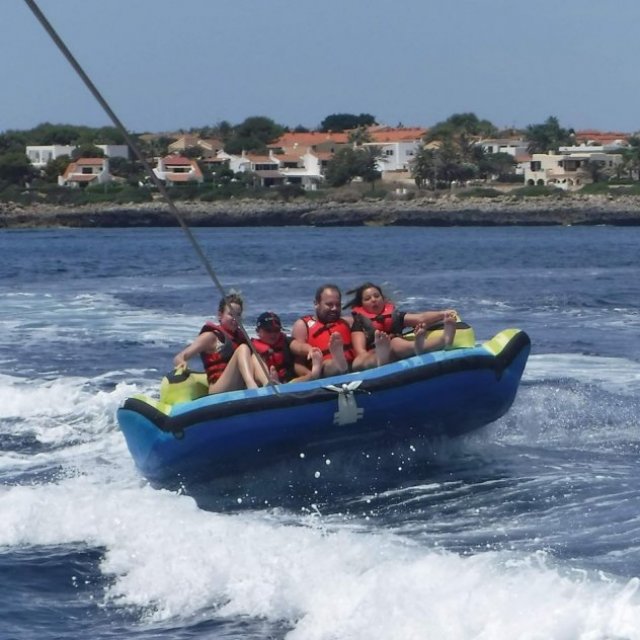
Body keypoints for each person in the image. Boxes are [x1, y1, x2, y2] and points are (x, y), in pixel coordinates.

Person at [345, 282, 457, 370]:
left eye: (376, 296)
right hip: (373, 353)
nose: (373, 300)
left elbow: (421, 318)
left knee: (395, 342)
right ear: (362, 304)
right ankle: (381, 357)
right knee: (359, 361)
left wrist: (443, 314)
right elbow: (360, 351)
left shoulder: (395, 315)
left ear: (383, 299)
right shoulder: (359, 322)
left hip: (396, 350)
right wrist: (378, 350)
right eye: (367, 299)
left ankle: (443, 339)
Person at [173, 293, 257, 394]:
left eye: (238, 315)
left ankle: (268, 383)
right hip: (218, 389)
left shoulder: (241, 336)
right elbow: (179, 357)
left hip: (238, 385)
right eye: (231, 314)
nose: (235, 318)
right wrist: (182, 363)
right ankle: (252, 387)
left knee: (256, 354)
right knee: (243, 348)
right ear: (220, 315)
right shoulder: (210, 337)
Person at [290, 284, 354, 377]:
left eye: (338, 305)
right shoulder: (303, 326)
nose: (334, 308)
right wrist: (310, 376)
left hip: (353, 367)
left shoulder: (348, 322)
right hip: (323, 372)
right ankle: (340, 364)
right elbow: (298, 364)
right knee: (329, 364)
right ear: (316, 304)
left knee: (366, 359)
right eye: (329, 304)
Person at [248, 311, 323, 385]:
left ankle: (313, 376)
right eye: (268, 331)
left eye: (276, 330)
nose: (273, 334)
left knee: (302, 371)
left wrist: (310, 349)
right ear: (258, 331)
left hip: (287, 381)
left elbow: (299, 347)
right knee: (255, 357)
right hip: (263, 382)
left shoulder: (285, 341)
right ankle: (270, 382)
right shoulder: (251, 347)